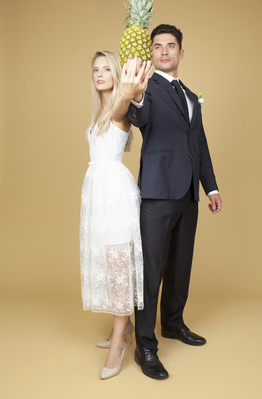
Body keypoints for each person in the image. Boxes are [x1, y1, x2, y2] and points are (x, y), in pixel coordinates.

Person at [127, 24, 222, 380]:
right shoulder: (146, 89)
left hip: (188, 194)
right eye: (157, 46)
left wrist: (210, 187)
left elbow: (200, 144)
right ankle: (145, 347)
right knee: (151, 272)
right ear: (151, 53)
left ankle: (172, 323)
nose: (164, 51)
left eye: (171, 46)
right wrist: (136, 96)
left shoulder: (192, 95)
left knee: (180, 266)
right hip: (156, 192)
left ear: (181, 53)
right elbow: (141, 117)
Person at [80, 51, 151, 380]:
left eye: (107, 68)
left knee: (119, 260)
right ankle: (122, 328)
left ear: (118, 73)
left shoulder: (120, 106)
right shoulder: (99, 110)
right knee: (110, 263)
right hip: (99, 195)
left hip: (116, 195)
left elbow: (125, 102)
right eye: (95, 69)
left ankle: (118, 347)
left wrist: (131, 84)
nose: (99, 73)